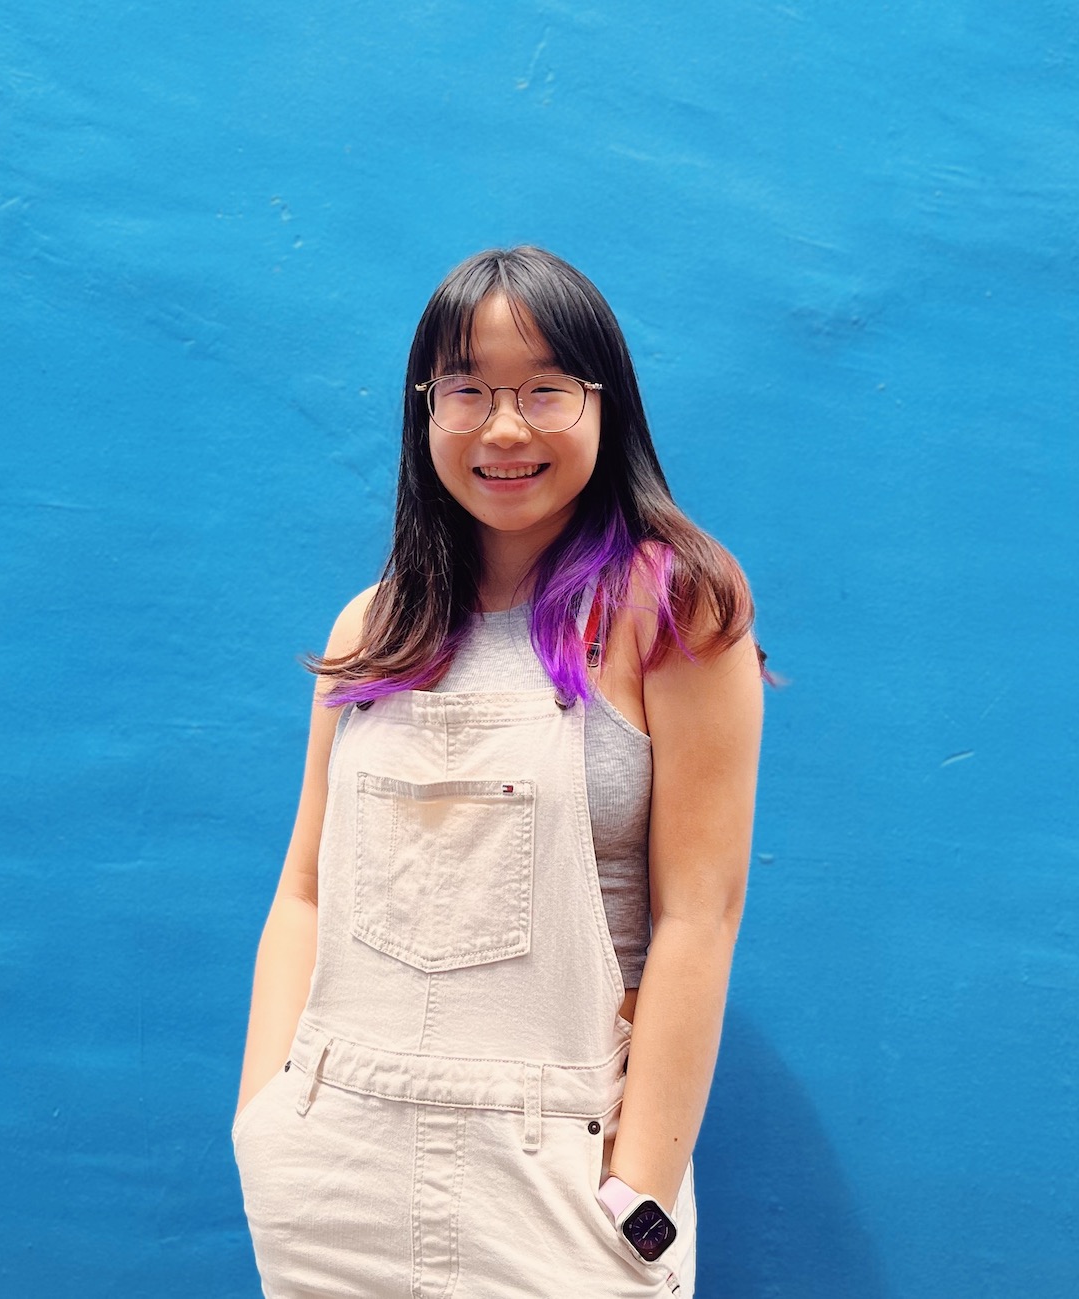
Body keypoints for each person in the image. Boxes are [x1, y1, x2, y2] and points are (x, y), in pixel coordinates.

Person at [232, 246, 766, 1297]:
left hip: (557, 1178)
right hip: (335, 1167)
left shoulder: (671, 606)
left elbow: (701, 916)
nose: (505, 427)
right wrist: (265, 1120)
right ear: (424, 409)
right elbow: (305, 888)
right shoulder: (374, 625)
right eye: (467, 390)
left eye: (544, 391)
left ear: (604, 405)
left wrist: (640, 1186)